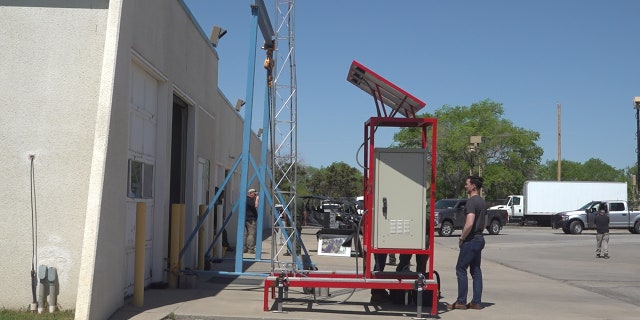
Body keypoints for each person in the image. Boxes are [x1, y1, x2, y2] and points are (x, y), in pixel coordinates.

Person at [445, 175, 487, 311]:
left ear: (473, 186)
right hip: (480, 238)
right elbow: (485, 222)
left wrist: (462, 238)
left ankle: (461, 302)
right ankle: (476, 302)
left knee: (460, 268)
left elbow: (469, 222)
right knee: (476, 270)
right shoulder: (482, 202)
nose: (465, 186)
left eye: (467, 184)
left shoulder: (471, 202)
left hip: (471, 240)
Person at [244, 188, 259, 254]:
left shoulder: (246, 199)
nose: (255, 195)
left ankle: (244, 248)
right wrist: (257, 199)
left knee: (246, 234)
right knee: (251, 234)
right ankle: (250, 249)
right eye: (254, 194)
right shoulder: (249, 200)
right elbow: (255, 205)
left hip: (247, 219)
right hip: (250, 220)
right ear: (251, 193)